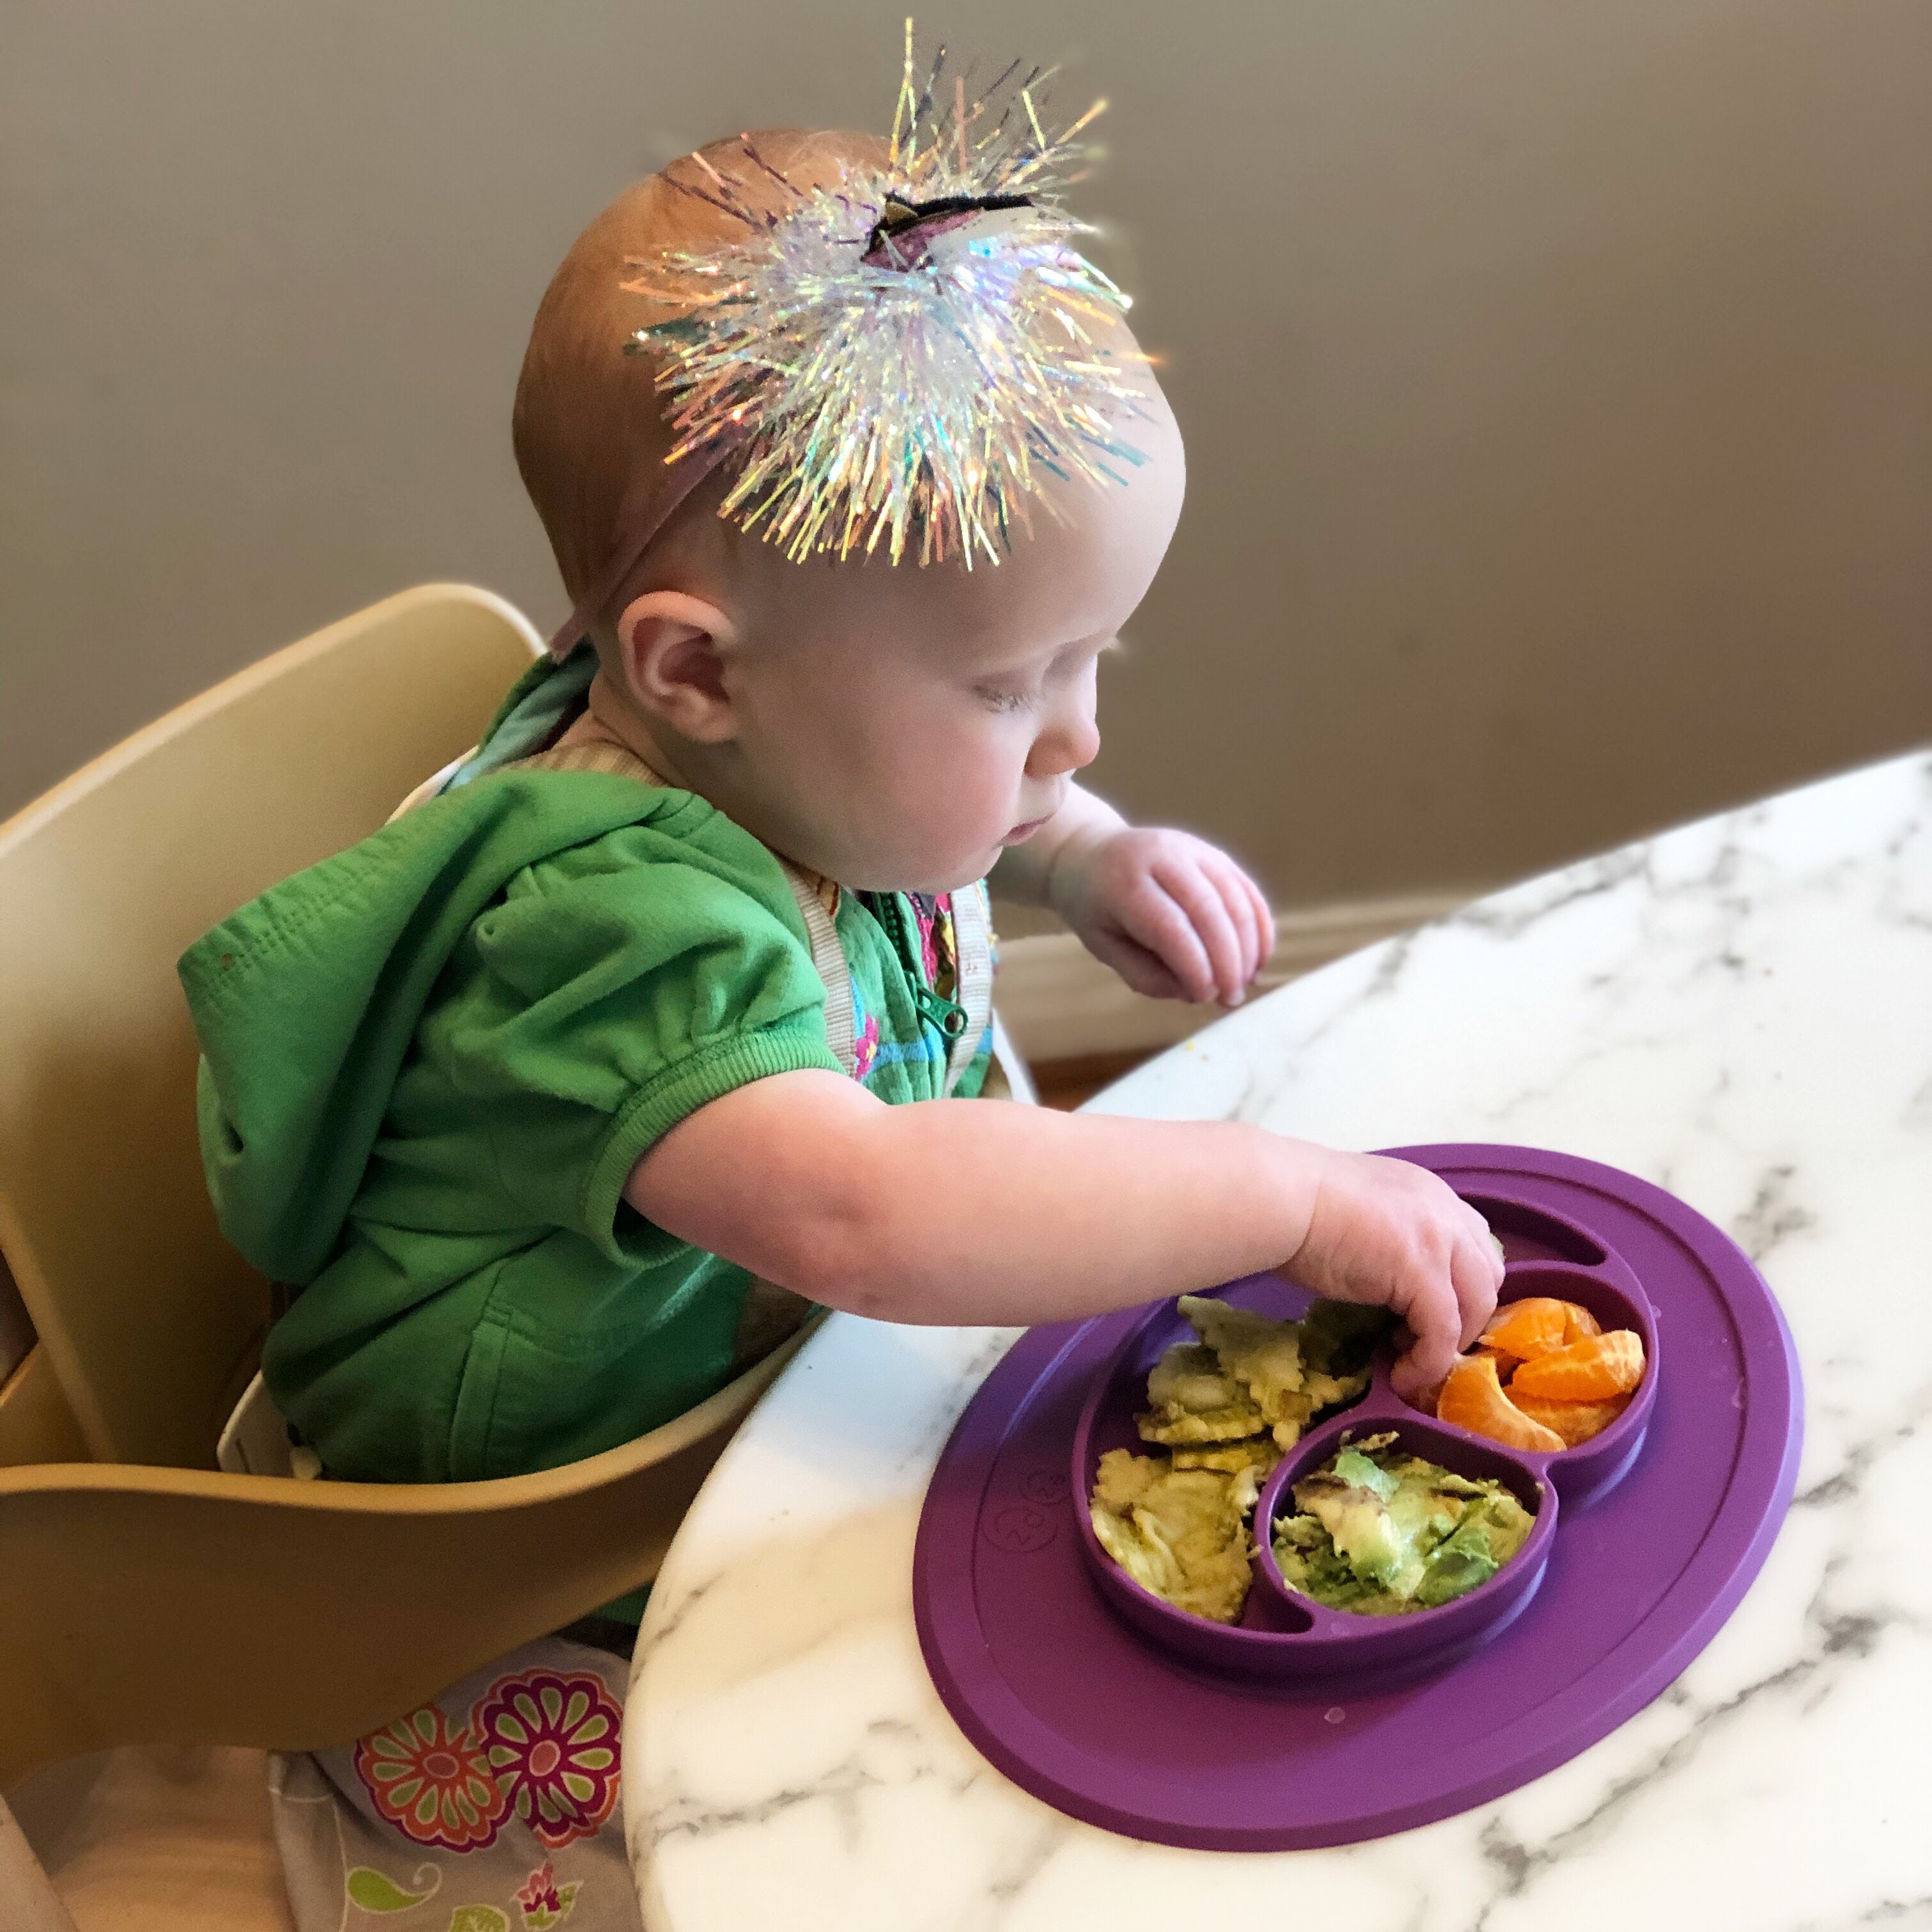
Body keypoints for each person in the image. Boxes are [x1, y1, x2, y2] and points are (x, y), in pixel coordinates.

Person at [182, 103, 1500, 1513]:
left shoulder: (795, 756)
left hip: (765, 1384)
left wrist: (1085, 854)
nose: (1080, 732)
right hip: (538, 1534)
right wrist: (1279, 1198)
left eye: (1089, 658)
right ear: (694, 673)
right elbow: (867, 1212)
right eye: (1008, 689)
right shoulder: (615, 942)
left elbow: (939, 815)